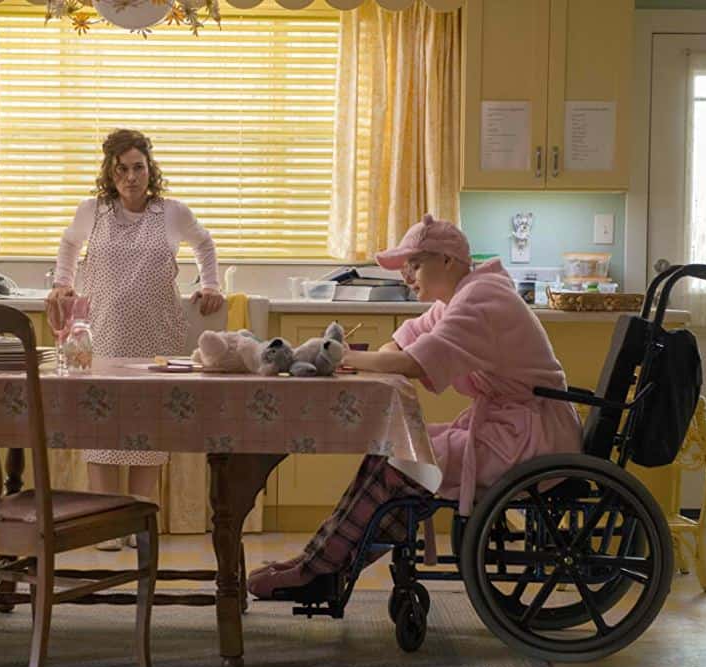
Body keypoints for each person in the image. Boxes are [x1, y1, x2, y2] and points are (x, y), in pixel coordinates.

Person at [248, 214, 583, 597]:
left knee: (404, 462)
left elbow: (409, 363)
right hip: (515, 429)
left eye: (415, 263)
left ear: (448, 260)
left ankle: (322, 566)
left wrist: (340, 356)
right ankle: (321, 560)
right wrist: (365, 357)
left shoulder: (481, 299)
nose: (406, 275)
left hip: (532, 438)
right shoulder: (460, 298)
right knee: (392, 451)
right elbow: (400, 345)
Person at [47, 128, 224, 550]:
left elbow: (205, 244)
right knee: (102, 425)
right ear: (111, 172)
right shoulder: (93, 211)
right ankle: (103, 525)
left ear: (150, 169)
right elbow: (69, 244)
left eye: (138, 167)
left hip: (157, 336)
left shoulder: (172, 212)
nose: (131, 176)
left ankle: (138, 524)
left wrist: (212, 284)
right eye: (122, 168)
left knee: (147, 429)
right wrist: (62, 283)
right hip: (102, 334)